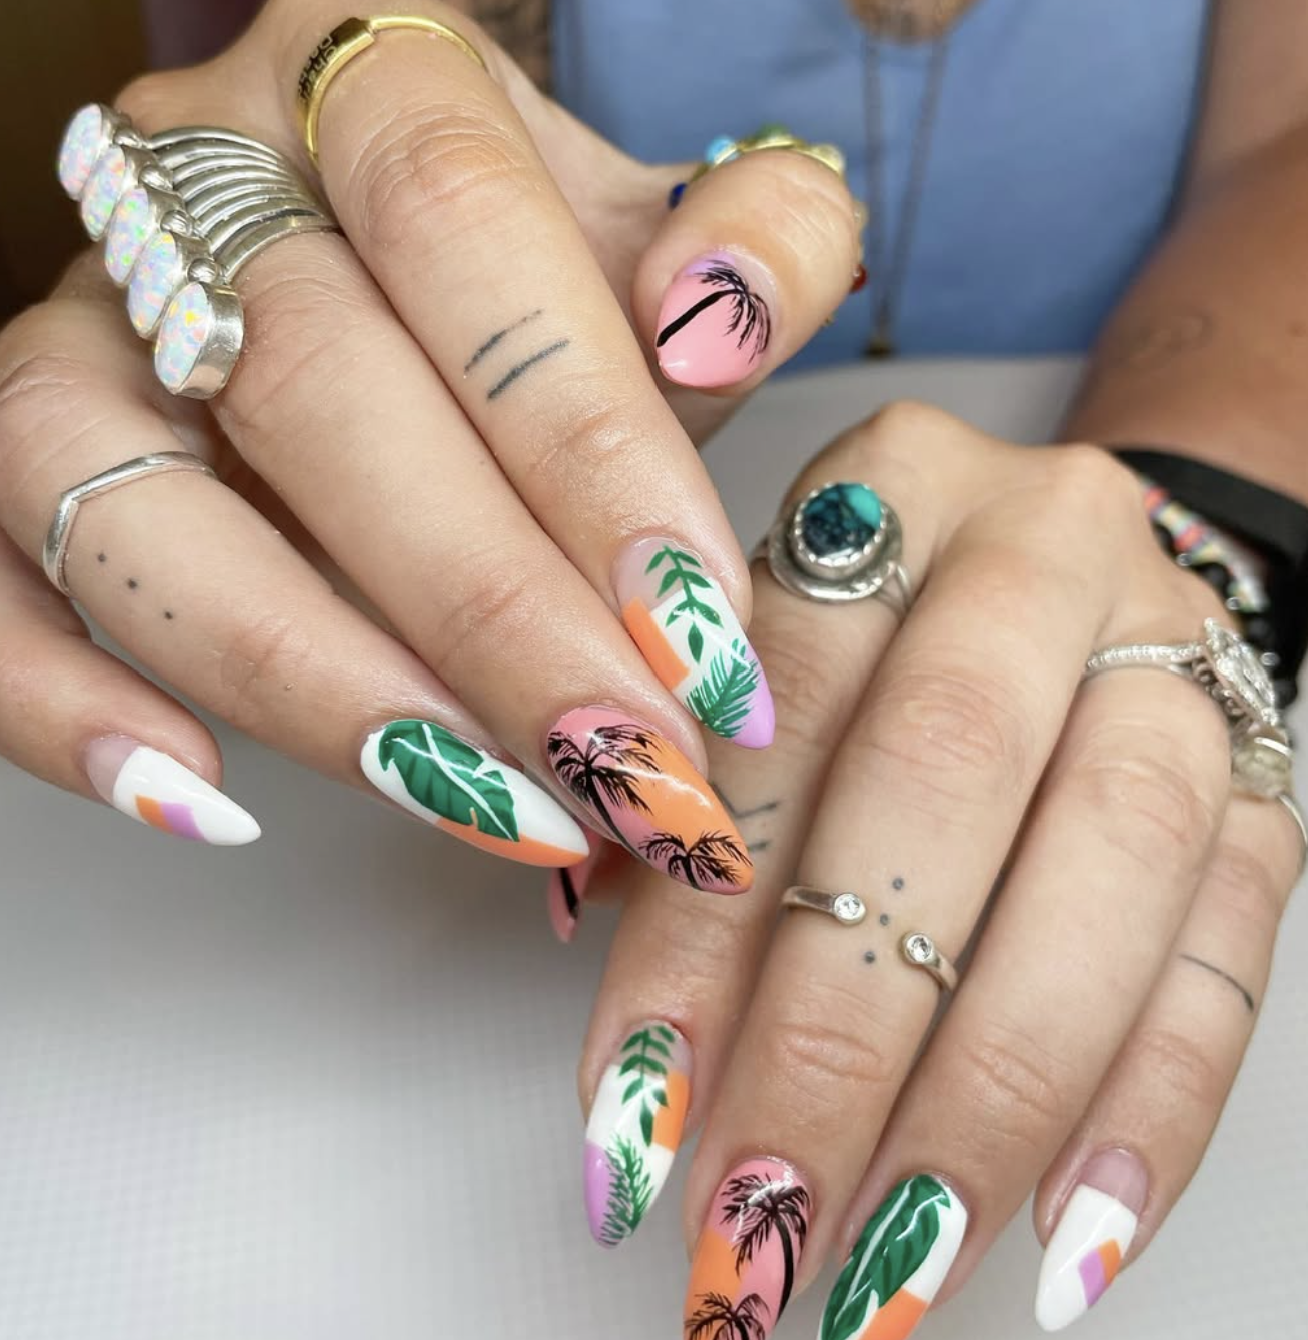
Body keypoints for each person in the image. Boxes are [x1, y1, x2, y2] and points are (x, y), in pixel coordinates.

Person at [1, 1, 1304, 1335]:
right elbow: (319, 78)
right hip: (335, 870)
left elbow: (1286, 152)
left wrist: (1180, 530)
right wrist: (279, 214)